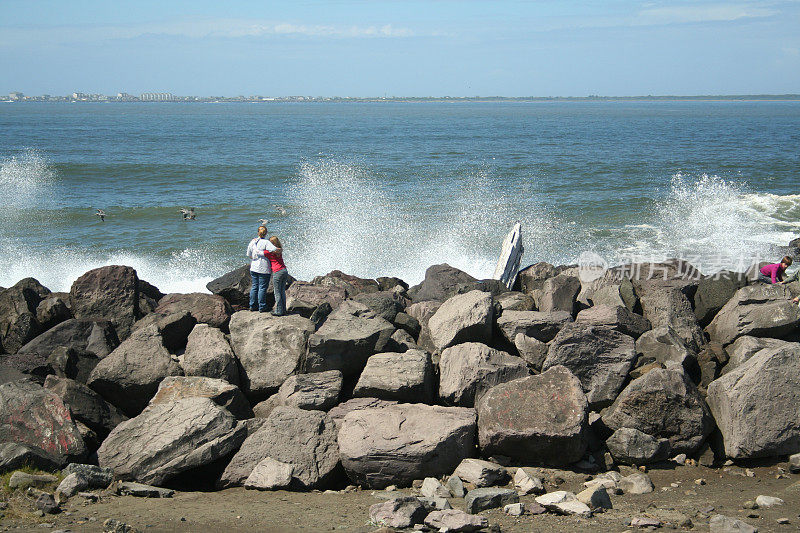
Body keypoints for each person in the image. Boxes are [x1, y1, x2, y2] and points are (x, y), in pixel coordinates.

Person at [246, 225, 279, 312]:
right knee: (262, 288)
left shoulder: (252, 242)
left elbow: (249, 254)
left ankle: (252, 305)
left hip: (253, 267)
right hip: (264, 268)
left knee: (254, 287)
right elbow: (274, 250)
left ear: (258, 232)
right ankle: (262, 306)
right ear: (266, 233)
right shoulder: (266, 242)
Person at [261, 235, 288, 316]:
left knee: (277, 292)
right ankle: (283, 309)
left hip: (277, 272)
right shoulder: (280, 250)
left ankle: (279, 311)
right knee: (282, 291)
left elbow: (259, 252)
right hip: (284, 270)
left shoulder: (269, 252)